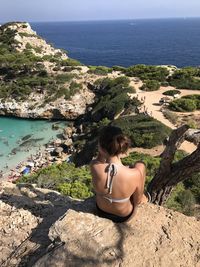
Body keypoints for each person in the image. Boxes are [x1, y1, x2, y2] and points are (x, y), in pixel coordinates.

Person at [90, 125, 150, 223]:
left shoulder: (94, 166)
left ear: (100, 147)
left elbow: (99, 160)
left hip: (101, 211)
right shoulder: (135, 174)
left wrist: (101, 150)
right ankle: (142, 195)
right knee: (140, 165)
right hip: (124, 216)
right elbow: (137, 202)